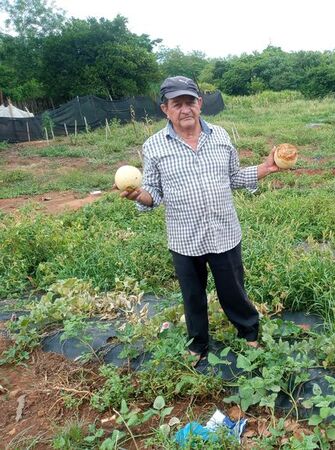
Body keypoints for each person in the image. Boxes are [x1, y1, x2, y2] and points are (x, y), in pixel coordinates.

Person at [121, 76, 279, 359]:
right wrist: (138, 196)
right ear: (165, 109)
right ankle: (198, 344)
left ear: (200, 104)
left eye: (190, 102)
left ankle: (249, 332)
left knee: (233, 290)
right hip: (185, 237)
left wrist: (265, 169)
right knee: (193, 296)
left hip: (224, 231)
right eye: (177, 104)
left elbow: (233, 177)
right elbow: (153, 192)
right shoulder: (154, 146)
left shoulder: (220, 136)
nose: (185, 110)